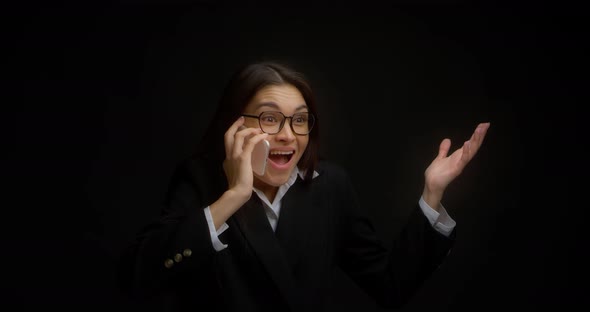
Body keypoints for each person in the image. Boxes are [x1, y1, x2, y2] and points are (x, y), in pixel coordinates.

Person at [118, 60, 490, 312]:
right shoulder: (199, 179)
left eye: (299, 120)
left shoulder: (330, 186)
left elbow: (390, 285)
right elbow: (138, 278)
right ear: (234, 125)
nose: (287, 135)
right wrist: (233, 196)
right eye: (269, 118)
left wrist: (432, 193)